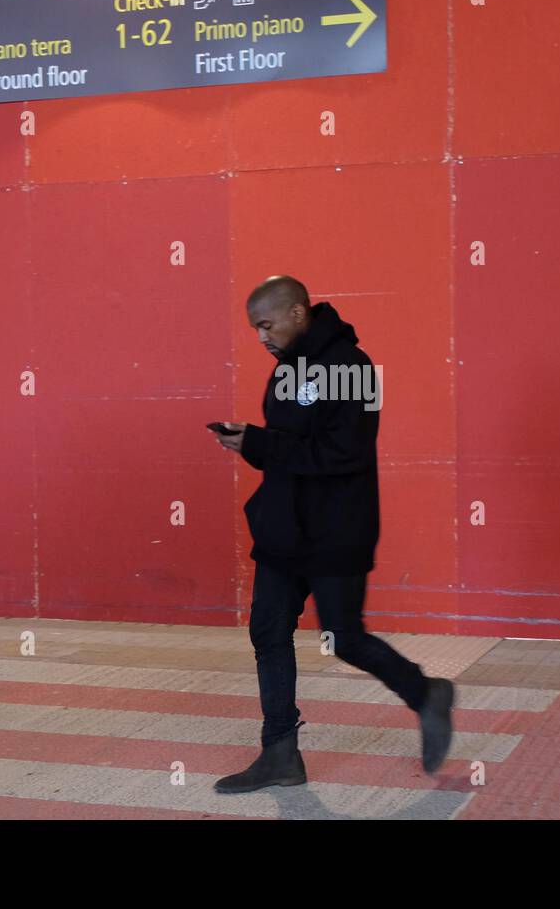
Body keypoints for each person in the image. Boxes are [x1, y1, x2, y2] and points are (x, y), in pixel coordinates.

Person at [209, 275, 455, 793]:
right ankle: (280, 754)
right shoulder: (286, 371)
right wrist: (250, 442)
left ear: (298, 313)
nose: (261, 337)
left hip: (335, 529)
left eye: (266, 324)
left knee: (344, 637)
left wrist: (262, 444)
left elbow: (345, 454)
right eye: (255, 328)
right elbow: (289, 443)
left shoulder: (352, 368)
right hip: (284, 529)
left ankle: (426, 694)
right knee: (268, 632)